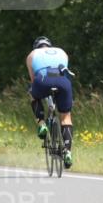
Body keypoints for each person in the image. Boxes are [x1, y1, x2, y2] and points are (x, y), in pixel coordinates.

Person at [26, 36, 74, 168]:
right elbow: (65, 72)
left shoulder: (32, 55)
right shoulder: (62, 52)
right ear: (50, 46)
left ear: (37, 47)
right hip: (62, 81)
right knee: (66, 116)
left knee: (33, 95)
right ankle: (68, 151)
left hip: (42, 79)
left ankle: (41, 124)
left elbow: (32, 79)